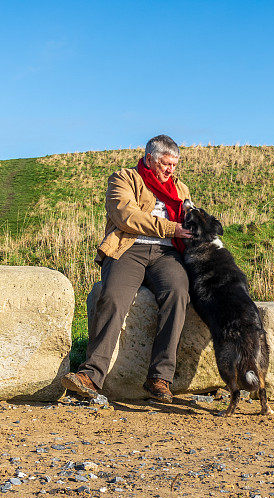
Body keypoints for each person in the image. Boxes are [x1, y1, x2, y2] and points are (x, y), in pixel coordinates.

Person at [62, 134, 192, 403]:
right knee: (112, 296)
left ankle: (160, 379)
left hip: (167, 253)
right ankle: (90, 375)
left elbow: (191, 220)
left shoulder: (181, 189)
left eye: (175, 165)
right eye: (165, 164)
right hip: (128, 248)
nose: (170, 170)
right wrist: (171, 228)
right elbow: (125, 216)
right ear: (149, 159)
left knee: (178, 293)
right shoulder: (123, 178)